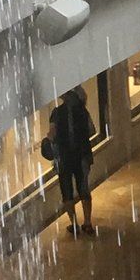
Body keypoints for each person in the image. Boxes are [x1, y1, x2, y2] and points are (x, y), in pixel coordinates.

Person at [45, 85, 97, 235]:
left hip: (64, 158)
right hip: (82, 155)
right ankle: (87, 222)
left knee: (66, 191)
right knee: (83, 188)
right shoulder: (82, 110)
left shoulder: (56, 113)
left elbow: (52, 135)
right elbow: (91, 129)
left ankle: (73, 224)